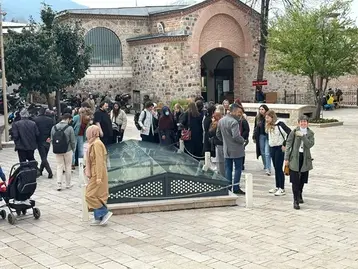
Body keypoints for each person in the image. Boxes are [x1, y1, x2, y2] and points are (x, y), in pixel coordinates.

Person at [285, 115, 315, 210]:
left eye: (305, 122)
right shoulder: (294, 132)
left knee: (302, 178)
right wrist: (286, 158)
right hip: (295, 157)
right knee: (295, 180)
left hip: (305, 158)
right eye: (301, 122)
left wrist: (303, 136)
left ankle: (300, 193)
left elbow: (310, 144)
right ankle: (295, 200)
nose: (303, 123)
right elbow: (288, 144)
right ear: (298, 123)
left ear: (307, 123)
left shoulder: (310, 133)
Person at [85, 125, 113, 226]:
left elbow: (99, 161)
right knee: (96, 195)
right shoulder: (93, 143)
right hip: (95, 172)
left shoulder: (96, 144)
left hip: (97, 173)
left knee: (89, 195)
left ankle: (103, 213)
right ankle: (99, 217)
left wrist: (99, 177)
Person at [216, 103, 245, 195]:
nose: (240, 114)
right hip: (236, 149)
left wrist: (225, 141)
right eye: (239, 112)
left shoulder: (221, 120)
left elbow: (218, 134)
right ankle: (236, 187)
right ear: (234, 111)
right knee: (238, 168)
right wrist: (243, 141)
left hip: (226, 148)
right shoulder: (234, 122)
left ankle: (228, 187)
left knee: (228, 168)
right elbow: (236, 136)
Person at [265, 110, 291, 196]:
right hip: (272, 147)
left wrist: (284, 144)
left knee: (279, 168)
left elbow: (290, 133)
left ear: (272, 117)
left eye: (268, 117)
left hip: (279, 148)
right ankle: (277, 186)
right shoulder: (269, 126)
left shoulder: (280, 124)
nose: (266, 119)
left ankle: (282, 188)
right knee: (275, 167)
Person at [51, 113, 76, 191]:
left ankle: (59, 184)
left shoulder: (54, 127)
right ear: (68, 119)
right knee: (68, 166)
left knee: (59, 166)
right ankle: (68, 184)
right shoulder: (69, 128)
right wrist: (73, 149)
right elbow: (73, 141)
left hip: (57, 150)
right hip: (67, 150)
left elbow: (52, 139)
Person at [34, 108, 55, 178]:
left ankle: (50, 172)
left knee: (43, 157)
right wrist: (50, 137)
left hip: (40, 141)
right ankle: (40, 170)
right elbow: (53, 130)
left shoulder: (35, 120)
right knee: (44, 156)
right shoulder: (50, 120)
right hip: (47, 140)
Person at [253, 105, 271, 176]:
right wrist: (254, 136)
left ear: (266, 110)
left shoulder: (269, 116)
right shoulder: (257, 117)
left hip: (268, 136)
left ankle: (268, 168)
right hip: (260, 136)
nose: (261, 111)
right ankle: (265, 164)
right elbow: (255, 127)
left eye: (262, 109)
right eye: (260, 109)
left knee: (267, 153)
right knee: (262, 152)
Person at [208, 109, 224, 175]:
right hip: (220, 143)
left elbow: (211, 133)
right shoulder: (221, 122)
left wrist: (212, 125)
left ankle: (221, 174)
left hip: (219, 143)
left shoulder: (217, 123)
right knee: (220, 160)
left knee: (220, 161)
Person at [237, 105, 250, 170]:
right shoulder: (235, 120)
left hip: (242, 138)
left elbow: (247, 130)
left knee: (241, 151)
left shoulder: (243, 120)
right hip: (236, 138)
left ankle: (241, 164)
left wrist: (242, 137)